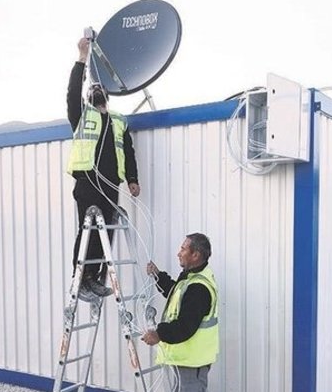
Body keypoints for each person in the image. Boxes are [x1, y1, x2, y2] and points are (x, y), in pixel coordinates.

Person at [67, 36, 140, 301]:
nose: (97, 91)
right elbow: (73, 92)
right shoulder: (81, 116)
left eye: (101, 89)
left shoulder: (120, 121)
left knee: (106, 231)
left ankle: (95, 277)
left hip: (112, 184)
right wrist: (81, 58)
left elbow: (128, 152)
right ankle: (81, 279)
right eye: (93, 89)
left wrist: (132, 179)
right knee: (88, 229)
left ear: (107, 96)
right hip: (88, 181)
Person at [141, 233, 219, 392]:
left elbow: (185, 326)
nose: (178, 253)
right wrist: (158, 276)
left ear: (195, 255)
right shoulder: (191, 277)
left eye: (183, 249)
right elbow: (175, 292)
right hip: (186, 359)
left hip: (191, 361)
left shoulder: (199, 287)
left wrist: (158, 334)